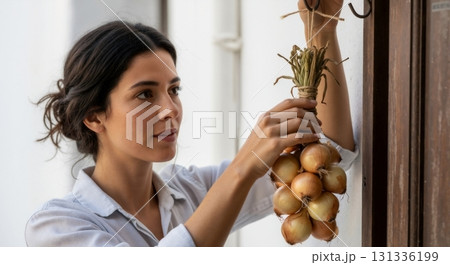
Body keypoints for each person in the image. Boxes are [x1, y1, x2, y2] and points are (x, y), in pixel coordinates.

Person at [25, 0, 356, 247]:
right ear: (95, 115)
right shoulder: (57, 226)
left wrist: (320, 27)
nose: (171, 109)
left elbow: (331, 150)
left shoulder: (191, 191)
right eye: (144, 95)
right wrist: (243, 168)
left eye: (174, 90)